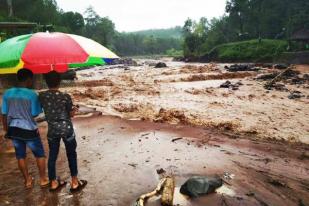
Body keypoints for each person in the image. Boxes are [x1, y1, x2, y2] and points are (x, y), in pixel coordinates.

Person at [39, 71, 87, 192]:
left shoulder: (42, 96)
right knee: (71, 154)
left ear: (46, 81)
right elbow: (70, 114)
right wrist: (74, 110)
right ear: (59, 81)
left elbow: (43, 108)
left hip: (53, 131)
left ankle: (54, 182)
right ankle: (75, 182)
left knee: (52, 156)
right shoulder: (65, 96)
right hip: (67, 130)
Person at [1, 69, 49, 189]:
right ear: (28, 79)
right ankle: (43, 179)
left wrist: (6, 129)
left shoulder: (7, 93)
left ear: (18, 78)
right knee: (39, 154)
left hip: (13, 128)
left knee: (20, 156)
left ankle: (27, 180)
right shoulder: (32, 94)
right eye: (31, 80)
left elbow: (3, 113)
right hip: (29, 129)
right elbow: (35, 113)